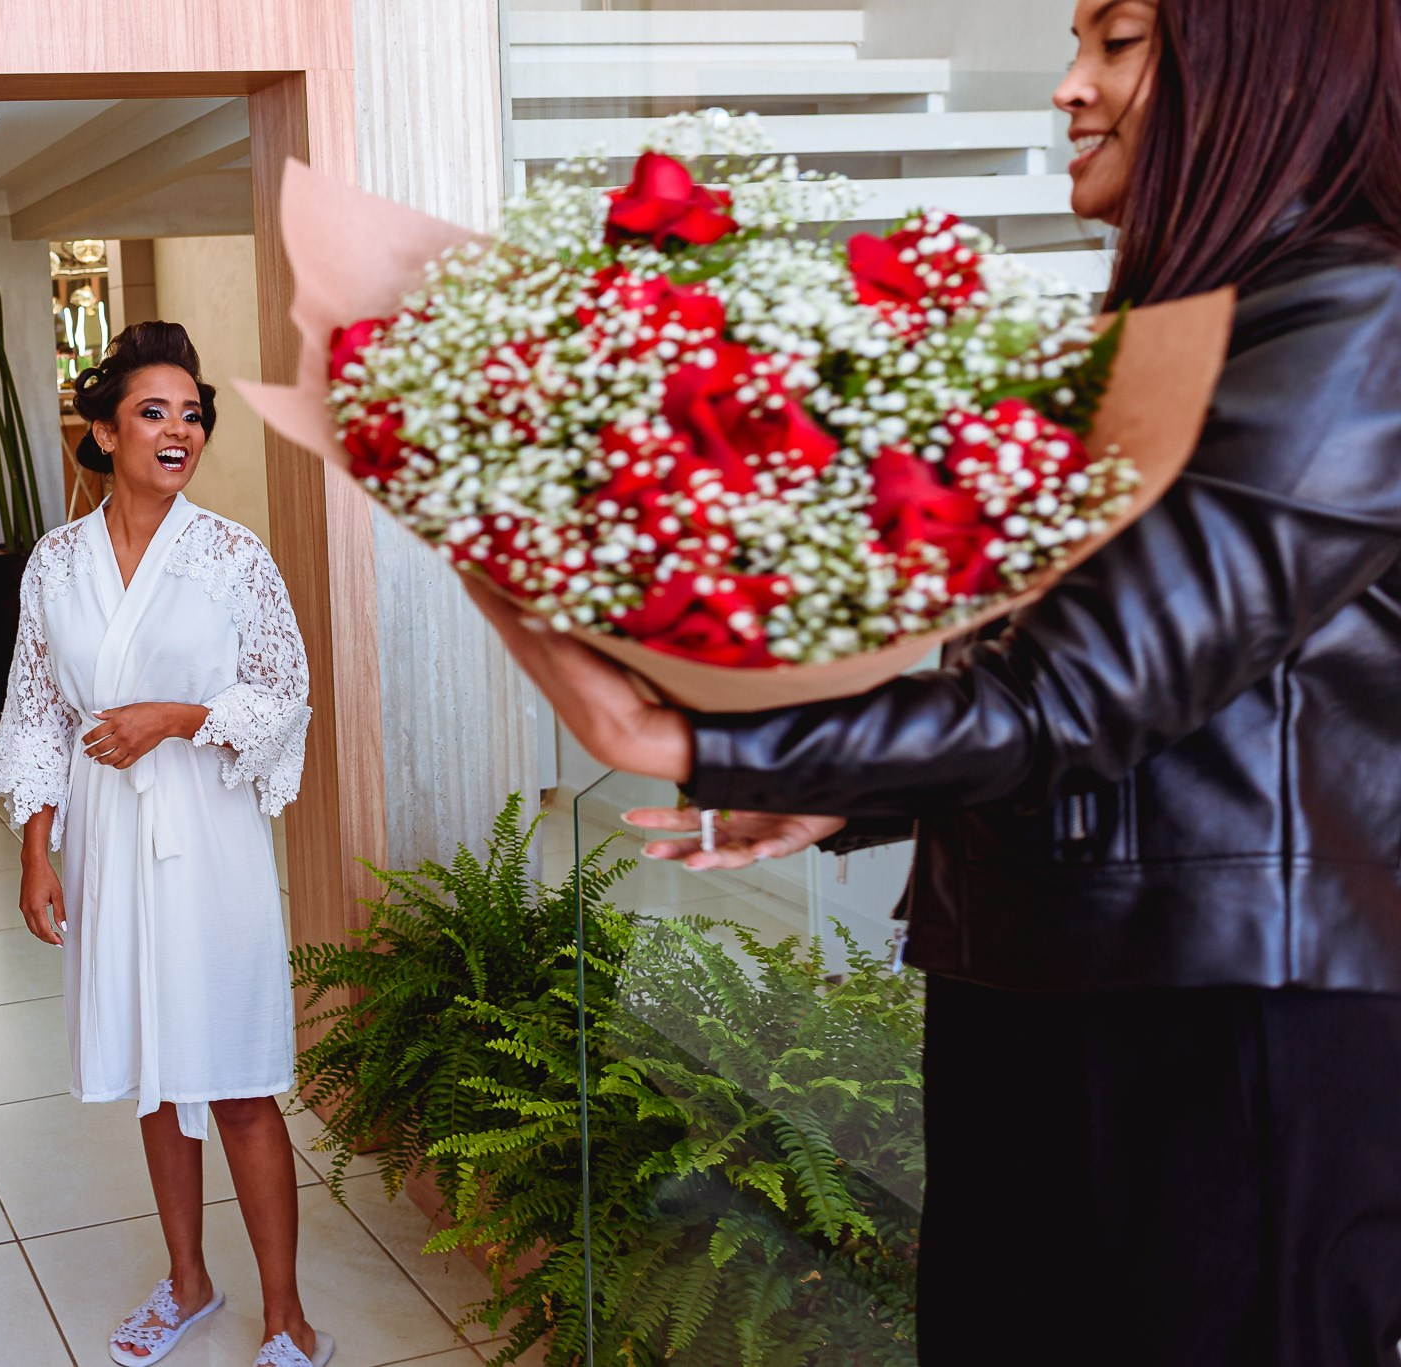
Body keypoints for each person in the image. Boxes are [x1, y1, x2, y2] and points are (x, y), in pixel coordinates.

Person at [465, 0, 1401, 1362]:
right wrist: (853, 794)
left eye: (1118, 42)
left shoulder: (1353, 315)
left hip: (1221, 1014)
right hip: (1046, 966)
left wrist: (696, 737)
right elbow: (1079, 674)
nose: (1069, 86)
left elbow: (1074, 699)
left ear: (1264, 58)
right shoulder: (1172, 321)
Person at [0, 322, 332, 1367]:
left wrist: (178, 717)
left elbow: (284, 695)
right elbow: (39, 713)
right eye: (153, 411)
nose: (179, 429)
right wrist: (36, 849)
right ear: (104, 432)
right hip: (107, 838)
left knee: (235, 1075)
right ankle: (187, 1279)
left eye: (192, 413)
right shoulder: (56, 563)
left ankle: (286, 1315)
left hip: (207, 841)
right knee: (151, 1065)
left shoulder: (233, 556)